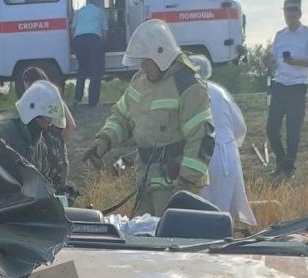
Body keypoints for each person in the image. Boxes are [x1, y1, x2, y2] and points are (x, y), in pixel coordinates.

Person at [82, 19, 214, 216]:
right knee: (142, 238)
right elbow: (122, 118)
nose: (143, 66)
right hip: (145, 180)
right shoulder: (139, 83)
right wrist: (102, 143)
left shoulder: (187, 85)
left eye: (146, 60)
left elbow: (202, 138)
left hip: (175, 185)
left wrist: (185, 184)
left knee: (168, 241)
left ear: (162, 53)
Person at [190, 54, 256, 228]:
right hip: (227, 155)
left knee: (201, 212)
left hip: (200, 155)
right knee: (224, 213)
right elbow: (240, 128)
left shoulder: (189, 92)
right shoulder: (221, 92)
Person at [265, 0, 308, 180]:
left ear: (299, 14)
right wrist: (267, 60)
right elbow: (273, 61)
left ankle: (288, 167)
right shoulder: (280, 35)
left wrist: (295, 62)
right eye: (287, 14)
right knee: (271, 128)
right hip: (279, 84)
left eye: (293, 14)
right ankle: (282, 162)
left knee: (292, 129)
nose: (290, 17)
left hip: (298, 86)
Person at [0, 79, 70, 193]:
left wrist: (58, 192)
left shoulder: (40, 145)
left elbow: (43, 180)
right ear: (31, 113)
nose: (47, 125)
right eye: (47, 119)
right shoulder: (2, 133)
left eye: (51, 121)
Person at [70, 0, 109, 107]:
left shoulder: (80, 12)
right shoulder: (100, 12)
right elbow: (105, 33)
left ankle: (77, 99)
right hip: (93, 40)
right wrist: (103, 47)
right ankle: (93, 102)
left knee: (82, 69)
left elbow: (72, 31)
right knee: (95, 71)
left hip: (79, 40)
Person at [21, 65, 76, 139]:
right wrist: (62, 143)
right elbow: (72, 125)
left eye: (25, 84)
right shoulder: (55, 97)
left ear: (28, 82)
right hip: (56, 143)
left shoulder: (31, 103)